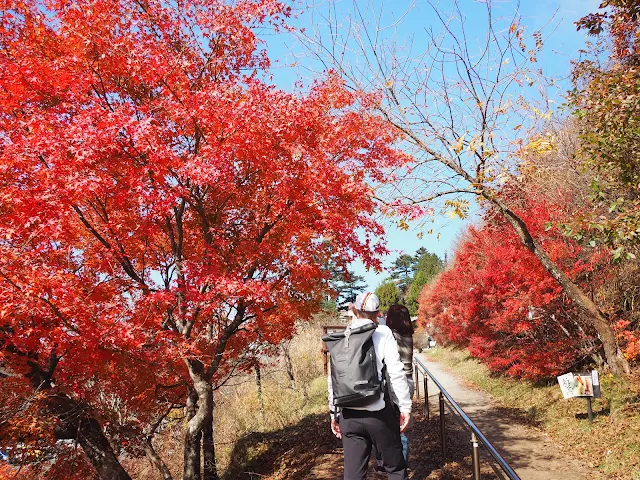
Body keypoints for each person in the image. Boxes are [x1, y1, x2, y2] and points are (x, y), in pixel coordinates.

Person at [328, 292, 411, 480]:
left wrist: (334, 413)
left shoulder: (342, 335)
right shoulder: (383, 332)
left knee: (353, 475)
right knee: (395, 469)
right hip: (379, 414)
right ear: (378, 313)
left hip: (349, 415)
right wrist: (405, 406)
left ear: (354, 310)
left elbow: (333, 378)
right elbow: (396, 372)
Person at [385, 304, 415, 464]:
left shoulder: (392, 336)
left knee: (396, 429)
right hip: (409, 381)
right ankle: (399, 465)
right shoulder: (408, 335)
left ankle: (397, 466)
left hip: (396, 384)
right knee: (402, 426)